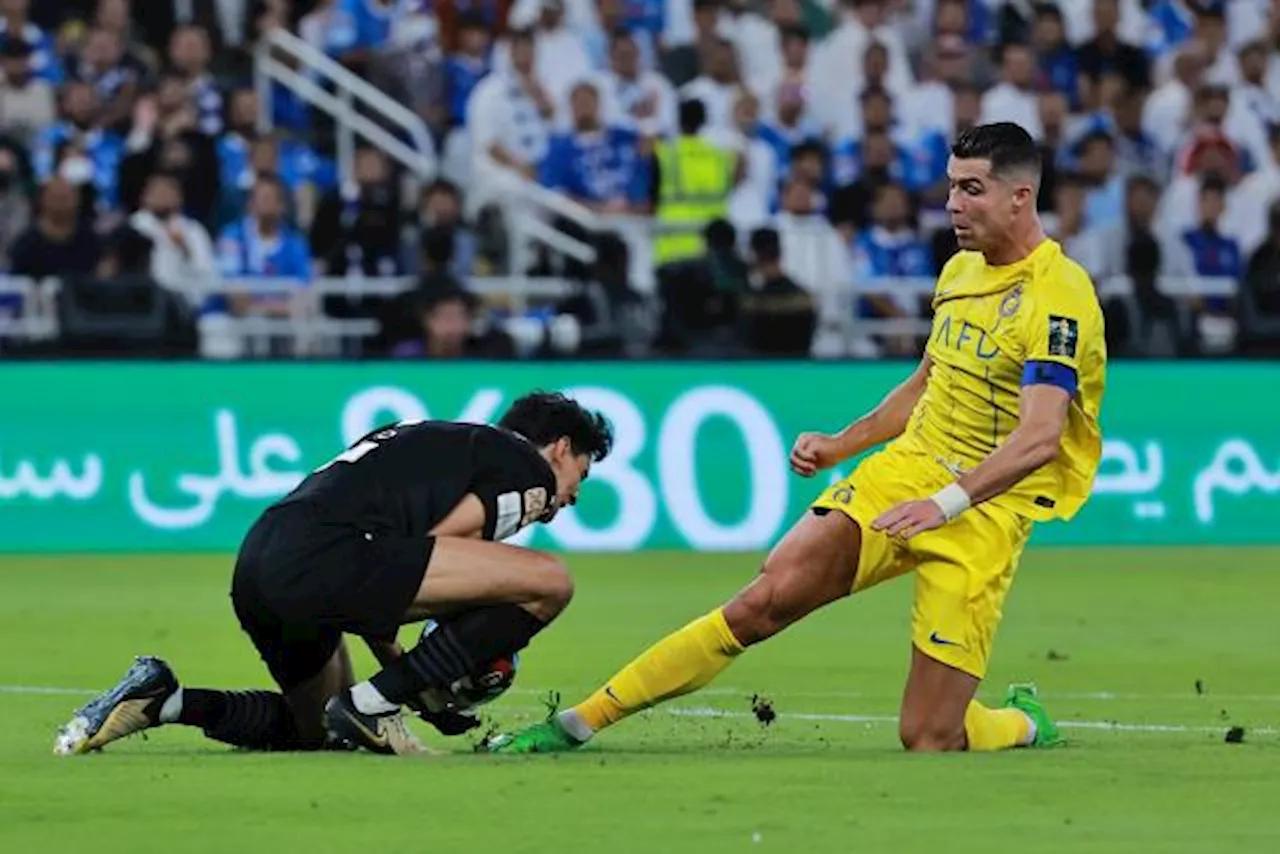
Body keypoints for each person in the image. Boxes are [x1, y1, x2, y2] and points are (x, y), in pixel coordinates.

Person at [489, 123, 1107, 755]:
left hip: (983, 510)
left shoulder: (1059, 297)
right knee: (765, 598)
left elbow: (1037, 438)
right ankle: (579, 722)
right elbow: (929, 381)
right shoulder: (959, 272)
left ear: (1020, 197)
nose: (953, 204)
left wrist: (944, 504)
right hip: (907, 474)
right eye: (950, 186)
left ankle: (1024, 722)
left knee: (928, 737)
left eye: (972, 189)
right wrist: (844, 444)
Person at [56, 392, 613, 757]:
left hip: (263, 558)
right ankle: (373, 706)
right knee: (548, 581)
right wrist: (412, 687)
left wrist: (406, 679)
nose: (573, 495)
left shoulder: (439, 442)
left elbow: (394, 576)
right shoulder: (526, 469)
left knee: (318, 728)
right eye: (580, 473)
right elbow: (433, 548)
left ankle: (164, 699)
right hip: (332, 556)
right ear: (561, 448)